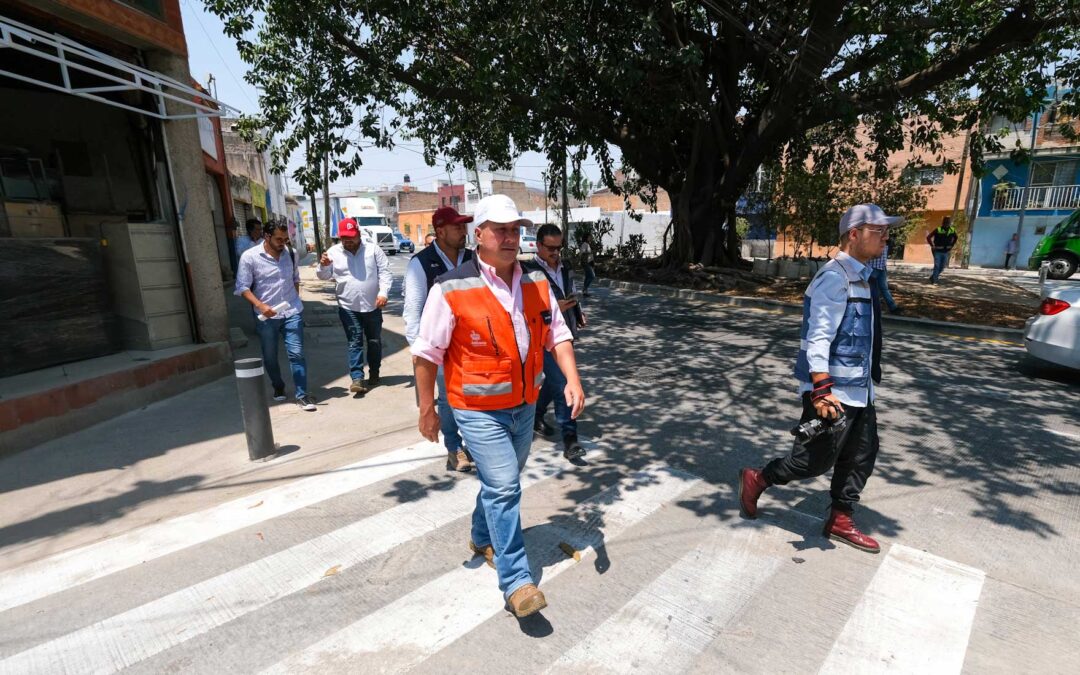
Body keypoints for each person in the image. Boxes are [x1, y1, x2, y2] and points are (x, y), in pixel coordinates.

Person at [412, 194, 586, 618]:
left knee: (499, 484)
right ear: (480, 235)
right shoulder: (450, 288)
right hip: (476, 409)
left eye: (516, 230)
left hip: (524, 406)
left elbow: (558, 335)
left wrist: (574, 379)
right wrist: (427, 410)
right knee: (507, 486)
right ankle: (516, 581)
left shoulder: (536, 282)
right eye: (502, 230)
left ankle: (480, 534)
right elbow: (426, 354)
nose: (511, 238)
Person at [739, 203, 900, 554]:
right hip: (834, 392)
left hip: (860, 388)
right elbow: (818, 337)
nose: (886, 237)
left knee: (861, 455)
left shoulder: (862, 276)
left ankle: (840, 518)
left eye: (887, 230)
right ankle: (756, 479)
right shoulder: (835, 278)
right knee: (809, 461)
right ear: (854, 235)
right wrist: (822, 390)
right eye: (879, 231)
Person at [404, 206, 475, 472]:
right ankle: (454, 447)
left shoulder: (473, 259)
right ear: (440, 231)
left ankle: (475, 443)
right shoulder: (421, 263)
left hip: (472, 347)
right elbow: (413, 314)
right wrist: (422, 355)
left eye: (464, 226)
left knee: (472, 397)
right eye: (457, 227)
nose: (463, 231)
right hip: (440, 350)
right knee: (448, 399)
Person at [235, 221, 316, 411]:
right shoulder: (250, 257)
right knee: (270, 356)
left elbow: (295, 278)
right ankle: (278, 385)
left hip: (292, 311)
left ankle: (302, 395)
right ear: (266, 236)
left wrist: (295, 298)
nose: (283, 243)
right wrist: (261, 306)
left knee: (297, 353)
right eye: (279, 239)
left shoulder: (291, 254)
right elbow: (242, 287)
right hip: (266, 316)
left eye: (286, 239)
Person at [525, 223, 588, 462]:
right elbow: (525, 306)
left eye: (558, 248)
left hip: (564, 333)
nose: (555, 253)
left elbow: (569, 290)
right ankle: (571, 440)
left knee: (552, 384)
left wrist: (578, 311)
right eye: (550, 248)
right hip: (542, 338)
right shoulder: (528, 271)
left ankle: (536, 416)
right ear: (538, 245)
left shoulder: (565, 266)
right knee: (563, 384)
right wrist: (551, 310)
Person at [317, 217, 392, 394]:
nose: (348, 241)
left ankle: (374, 372)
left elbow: (385, 272)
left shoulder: (373, 250)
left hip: (373, 305)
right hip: (347, 306)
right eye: (344, 238)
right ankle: (357, 378)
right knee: (355, 341)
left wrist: (383, 293)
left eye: (351, 237)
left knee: (374, 341)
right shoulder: (334, 252)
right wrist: (323, 266)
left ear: (358, 234)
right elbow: (323, 276)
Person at [867, 242, 900, 314]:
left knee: (883, 288)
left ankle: (893, 307)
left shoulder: (884, 239)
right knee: (870, 289)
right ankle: (869, 307)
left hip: (881, 267)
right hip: (874, 267)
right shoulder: (875, 238)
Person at [926, 217, 958, 284]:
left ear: (949, 223)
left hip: (946, 251)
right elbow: (928, 237)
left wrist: (951, 245)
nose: (947, 224)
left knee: (942, 267)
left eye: (948, 222)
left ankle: (933, 277)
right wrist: (932, 245)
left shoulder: (952, 230)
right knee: (937, 265)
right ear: (943, 223)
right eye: (945, 222)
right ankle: (935, 280)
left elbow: (956, 237)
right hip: (937, 251)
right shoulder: (938, 229)